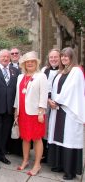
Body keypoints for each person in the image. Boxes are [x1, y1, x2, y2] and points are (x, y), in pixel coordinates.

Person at [47, 47, 85, 180]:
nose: (63, 58)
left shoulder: (76, 71)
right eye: (62, 56)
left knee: (68, 139)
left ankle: (70, 170)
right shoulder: (61, 71)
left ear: (71, 57)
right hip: (57, 109)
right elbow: (52, 88)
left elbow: (70, 90)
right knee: (57, 137)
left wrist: (55, 101)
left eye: (66, 56)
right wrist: (50, 99)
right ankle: (59, 164)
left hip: (69, 111)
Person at [14, 51, 48, 176]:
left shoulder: (41, 76)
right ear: (24, 64)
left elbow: (44, 95)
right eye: (27, 62)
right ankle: (25, 160)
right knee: (25, 138)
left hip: (35, 113)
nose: (30, 63)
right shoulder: (20, 77)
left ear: (36, 63)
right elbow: (18, 95)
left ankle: (37, 164)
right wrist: (16, 110)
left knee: (37, 138)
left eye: (32, 61)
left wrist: (41, 111)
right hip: (22, 112)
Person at [0, 49, 20, 169]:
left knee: (5, 134)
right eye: (3, 57)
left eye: (7, 56)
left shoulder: (15, 71)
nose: (5, 59)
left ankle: (2, 154)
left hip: (9, 109)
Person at [40, 48, 60, 163]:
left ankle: (54, 156)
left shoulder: (63, 71)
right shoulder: (44, 70)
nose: (53, 59)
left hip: (57, 104)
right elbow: (43, 87)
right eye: (51, 57)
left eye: (55, 57)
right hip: (46, 103)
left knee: (55, 128)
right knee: (45, 129)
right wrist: (47, 99)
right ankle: (44, 154)